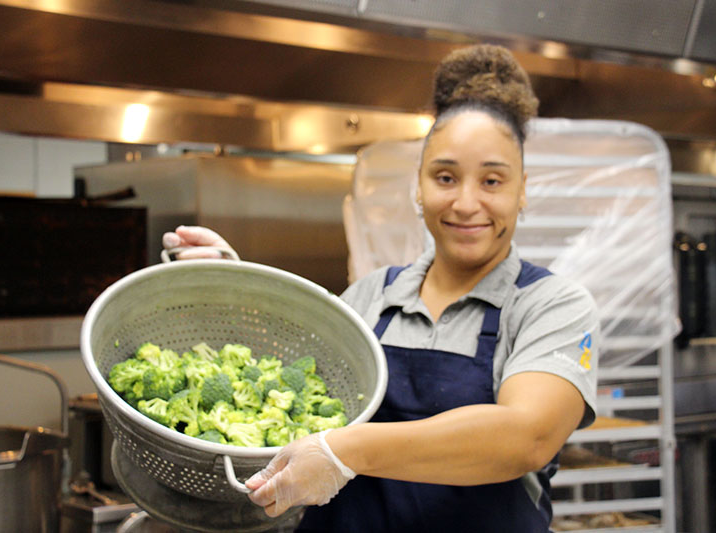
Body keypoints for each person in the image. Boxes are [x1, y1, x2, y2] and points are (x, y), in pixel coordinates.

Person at [163, 43, 598, 533]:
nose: (466, 202)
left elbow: (527, 437)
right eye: (445, 177)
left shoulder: (550, 306)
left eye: (493, 181)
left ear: (522, 191)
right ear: (418, 187)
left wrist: (345, 452)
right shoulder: (372, 296)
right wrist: (233, 283)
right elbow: (286, 389)